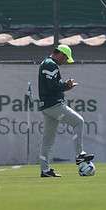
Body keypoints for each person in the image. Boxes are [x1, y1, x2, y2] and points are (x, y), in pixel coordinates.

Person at [38, 44, 94, 177]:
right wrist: (65, 85)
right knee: (78, 121)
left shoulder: (47, 63)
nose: (64, 62)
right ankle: (79, 155)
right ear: (60, 54)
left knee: (48, 140)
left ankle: (45, 171)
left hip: (48, 106)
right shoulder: (50, 64)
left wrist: (66, 87)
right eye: (65, 58)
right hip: (54, 105)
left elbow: (52, 86)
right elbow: (52, 86)